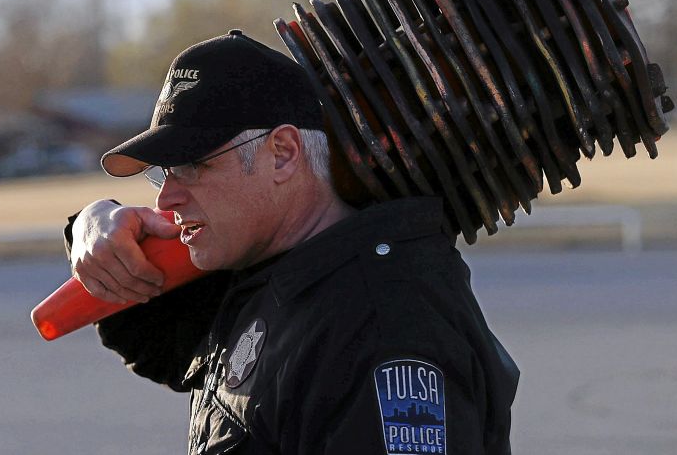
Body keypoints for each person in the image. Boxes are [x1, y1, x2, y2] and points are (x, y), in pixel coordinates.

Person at [65, 29, 519, 454]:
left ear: (282, 154)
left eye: (192, 166)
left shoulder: (382, 328)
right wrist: (91, 223)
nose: (167, 195)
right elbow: (152, 335)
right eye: (163, 173)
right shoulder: (274, 272)